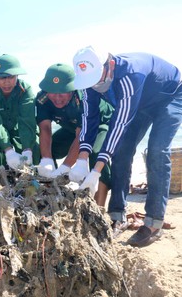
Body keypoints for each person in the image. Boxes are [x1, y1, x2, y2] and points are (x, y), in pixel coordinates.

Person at [70, 46, 182, 247]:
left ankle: (154, 223)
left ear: (110, 64)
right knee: (121, 151)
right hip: (141, 103)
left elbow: (119, 125)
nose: (94, 85)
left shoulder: (131, 74)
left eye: (97, 78)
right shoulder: (90, 83)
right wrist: (82, 158)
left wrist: (96, 171)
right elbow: (89, 119)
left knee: (157, 150)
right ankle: (117, 215)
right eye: (90, 81)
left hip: (169, 96)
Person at [35, 63, 113, 206]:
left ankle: (99, 206)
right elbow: (45, 129)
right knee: (41, 150)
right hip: (71, 128)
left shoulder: (83, 98)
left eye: (62, 92)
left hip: (100, 125)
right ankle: (51, 191)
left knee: (97, 154)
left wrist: (65, 167)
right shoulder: (43, 99)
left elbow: (82, 136)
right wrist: (47, 160)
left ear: (72, 89)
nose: (57, 98)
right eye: (52, 92)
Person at [0, 54, 39, 174]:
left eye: (10, 77)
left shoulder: (25, 90)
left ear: (17, 76)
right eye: (2, 78)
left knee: (35, 150)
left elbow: (27, 120)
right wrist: (8, 150)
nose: (7, 82)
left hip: (18, 130)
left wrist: (27, 150)